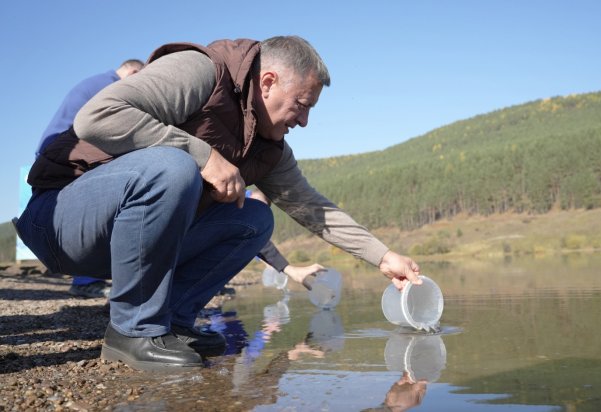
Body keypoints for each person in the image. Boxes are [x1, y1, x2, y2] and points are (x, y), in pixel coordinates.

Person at [16, 35, 422, 372]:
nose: (304, 122)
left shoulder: (270, 150)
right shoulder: (200, 71)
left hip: (124, 242)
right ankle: (132, 330)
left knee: (256, 219)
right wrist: (204, 156)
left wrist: (384, 257)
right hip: (60, 221)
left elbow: (315, 209)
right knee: (173, 166)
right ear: (267, 82)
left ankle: (168, 321)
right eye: (302, 104)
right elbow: (96, 117)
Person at [35, 58, 145, 299]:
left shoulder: (98, 82)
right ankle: (86, 281)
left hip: (61, 155)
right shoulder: (109, 85)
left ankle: (93, 279)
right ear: (134, 71)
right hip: (65, 158)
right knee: (100, 214)